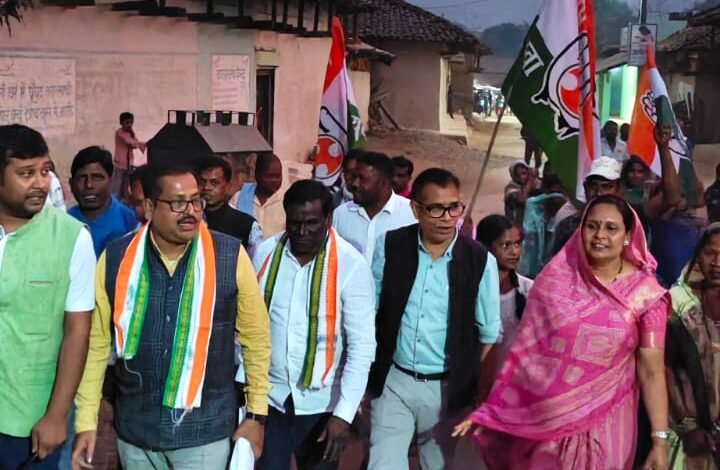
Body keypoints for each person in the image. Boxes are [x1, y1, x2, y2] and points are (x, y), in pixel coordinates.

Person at [72, 163, 271, 469]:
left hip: (205, 435)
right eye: (178, 203)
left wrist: (257, 415)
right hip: (136, 434)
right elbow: (96, 345)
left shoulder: (230, 256)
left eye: (196, 201)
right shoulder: (115, 259)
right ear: (150, 207)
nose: (190, 211)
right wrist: (86, 421)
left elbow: (256, 339)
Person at [468, 195, 670, 469]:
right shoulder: (554, 282)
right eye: (592, 226)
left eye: (611, 228)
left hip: (607, 424)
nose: (600, 235)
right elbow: (528, 357)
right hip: (547, 426)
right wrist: (498, 407)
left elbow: (652, 370)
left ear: (627, 237)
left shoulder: (645, 295)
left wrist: (660, 439)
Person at [367, 168, 501, 469]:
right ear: (416, 209)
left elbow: (489, 335)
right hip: (394, 382)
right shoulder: (390, 246)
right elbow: (370, 313)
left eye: (454, 207)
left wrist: (468, 384)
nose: (446, 217)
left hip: (446, 391)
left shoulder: (480, 261)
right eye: (436, 208)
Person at [253, 180, 376, 469]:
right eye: (295, 223)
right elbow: (252, 326)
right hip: (272, 395)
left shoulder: (350, 264)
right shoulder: (266, 253)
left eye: (311, 223)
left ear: (328, 219)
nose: (302, 232)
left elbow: (361, 345)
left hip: (323, 403)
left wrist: (344, 414)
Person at [0, 124, 95, 468]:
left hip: (30, 417)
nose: (40, 183)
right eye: (26, 173)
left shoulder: (72, 238)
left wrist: (56, 415)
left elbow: (77, 333)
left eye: (45, 171)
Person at [665, 223, 720, 469]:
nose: (717, 263)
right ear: (698, 255)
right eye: (710, 253)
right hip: (687, 432)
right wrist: (687, 425)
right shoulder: (678, 303)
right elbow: (665, 367)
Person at [646, 125, 707, 287]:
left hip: (690, 279)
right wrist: (664, 148)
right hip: (661, 280)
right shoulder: (657, 190)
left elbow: (702, 219)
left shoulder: (696, 189)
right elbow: (671, 198)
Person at [332, 152, 416, 262]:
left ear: (383, 182)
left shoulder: (411, 215)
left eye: (362, 179)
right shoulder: (341, 214)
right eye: (354, 177)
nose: (355, 184)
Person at [476, 214, 533, 376]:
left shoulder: (529, 290)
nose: (514, 252)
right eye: (505, 245)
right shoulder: (472, 291)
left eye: (517, 244)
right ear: (486, 248)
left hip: (516, 379)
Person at [68, 146, 138, 256]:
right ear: (71, 185)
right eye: (82, 178)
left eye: (97, 177)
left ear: (111, 181)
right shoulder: (64, 223)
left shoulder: (130, 221)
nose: (89, 185)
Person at [550, 155, 623, 256]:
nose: (599, 193)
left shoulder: (629, 225)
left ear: (618, 190)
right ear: (585, 188)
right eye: (593, 186)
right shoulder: (568, 226)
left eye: (606, 186)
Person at [197, 156, 262, 251]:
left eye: (214, 183)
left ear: (228, 186)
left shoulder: (246, 225)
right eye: (202, 182)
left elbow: (258, 257)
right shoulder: (189, 220)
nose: (207, 187)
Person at [230, 153, 285, 238]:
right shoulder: (239, 198)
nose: (275, 180)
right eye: (270, 176)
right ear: (257, 175)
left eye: (278, 176)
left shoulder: (286, 200)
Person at [112, 112, 146, 199]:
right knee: (116, 187)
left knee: (125, 188)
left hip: (128, 166)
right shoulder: (120, 133)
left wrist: (144, 145)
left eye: (131, 123)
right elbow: (132, 143)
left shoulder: (130, 133)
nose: (129, 125)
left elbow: (135, 143)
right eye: (126, 123)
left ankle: (123, 203)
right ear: (121, 123)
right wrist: (141, 144)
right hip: (119, 165)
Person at [504, 161, 539, 229]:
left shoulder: (537, 183)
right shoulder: (511, 188)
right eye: (517, 175)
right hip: (517, 225)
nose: (521, 177)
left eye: (524, 173)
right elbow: (523, 200)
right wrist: (531, 180)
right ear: (513, 176)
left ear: (528, 172)